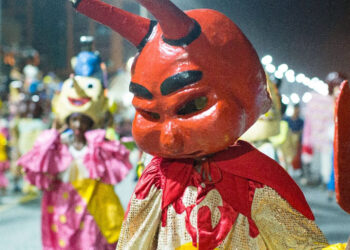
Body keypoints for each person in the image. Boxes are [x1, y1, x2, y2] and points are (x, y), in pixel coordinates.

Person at [72, 0, 347, 249]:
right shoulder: (157, 180)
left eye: (190, 106)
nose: (168, 139)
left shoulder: (254, 181)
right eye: (150, 114)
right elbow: (135, 240)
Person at [17, 51, 132, 250]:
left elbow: (117, 164)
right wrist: (52, 134)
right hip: (63, 210)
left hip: (93, 210)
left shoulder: (97, 145)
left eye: (83, 120)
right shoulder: (58, 145)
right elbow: (36, 163)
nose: (78, 124)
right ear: (67, 120)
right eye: (74, 120)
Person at [302, 72, 347, 186]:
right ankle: (327, 180)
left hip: (337, 141)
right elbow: (314, 124)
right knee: (327, 159)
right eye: (338, 86)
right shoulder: (321, 102)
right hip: (326, 141)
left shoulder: (342, 101)